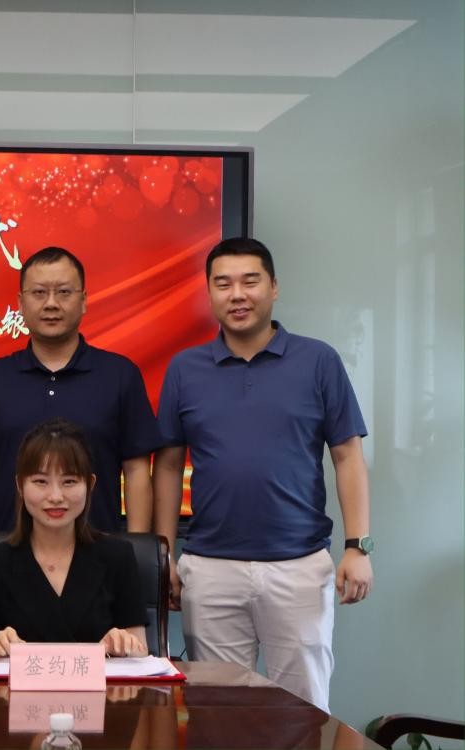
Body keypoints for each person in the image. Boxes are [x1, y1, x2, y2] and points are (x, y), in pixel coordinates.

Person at [152, 237, 373, 711]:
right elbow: (167, 466)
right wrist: (163, 555)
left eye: (250, 281)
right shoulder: (185, 369)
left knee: (304, 711)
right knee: (219, 714)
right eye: (223, 283)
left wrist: (358, 546)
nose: (237, 294)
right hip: (210, 568)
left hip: (298, 565)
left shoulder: (319, 361)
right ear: (209, 293)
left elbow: (347, 456)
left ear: (273, 287)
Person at [0, 246, 162, 596]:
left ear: (84, 300)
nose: (51, 304)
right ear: (21, 303)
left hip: (100, 563)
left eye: (63, 292)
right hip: (9, 562)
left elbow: (137, 472)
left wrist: (134, 557)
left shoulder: (120, 375)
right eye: (39, 293)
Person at [0, 418, 148, 658]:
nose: (55, 496)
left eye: (69, 482)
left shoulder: (118, 556)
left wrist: (122, 646)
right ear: (20, 485)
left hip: (101, 684)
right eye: (40, 482)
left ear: (90, 484)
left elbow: (141, 653)